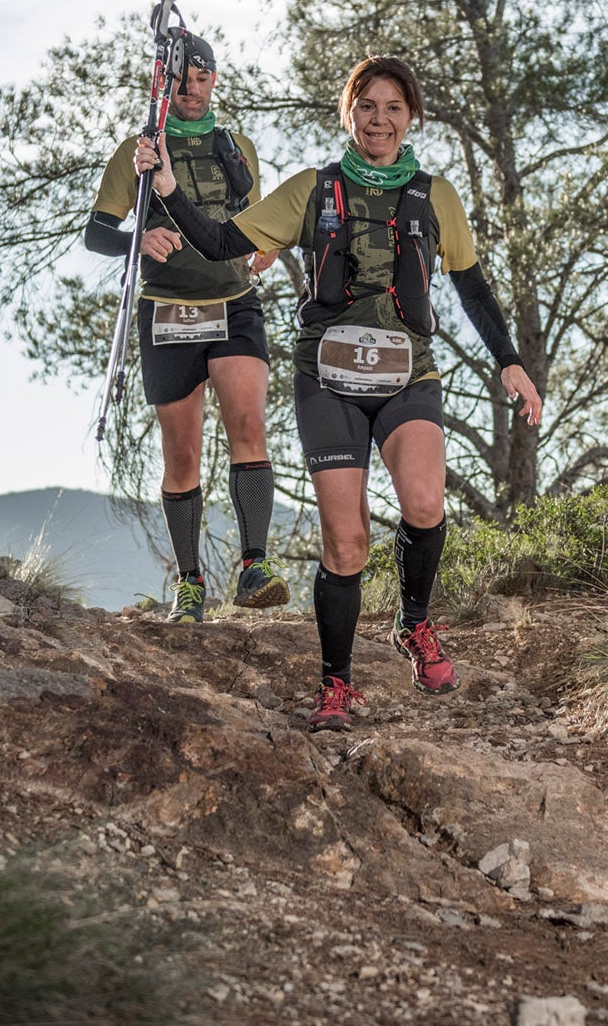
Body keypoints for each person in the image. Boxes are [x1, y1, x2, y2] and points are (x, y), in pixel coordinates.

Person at [137, 55, 543, 730]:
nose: (379, 119)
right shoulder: (311, 190)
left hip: (407, 370)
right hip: (326, 377)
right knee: (347, 542)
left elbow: (470, 283)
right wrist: (170, 185)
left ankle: (414, 623)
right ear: (348, 113)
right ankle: (336, 684)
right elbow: (217, 242)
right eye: (367, 106)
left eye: (393, 107)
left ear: (410, 117)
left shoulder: (435, 195)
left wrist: (509, 360)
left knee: (423, 500)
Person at [88, 31, 288, 625]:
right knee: (182, 457)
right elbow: (96, 232)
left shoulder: (238, 144)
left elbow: (255, 216)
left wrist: (269, 241)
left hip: (235, 302)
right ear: (163, 86)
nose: (193, 92)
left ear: (215, 81)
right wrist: (137, 239)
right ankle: (190, 582)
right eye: (181, 83)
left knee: (249, 425)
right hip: (168, 309)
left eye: (202, 80)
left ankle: (254, 566)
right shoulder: (139, 149)